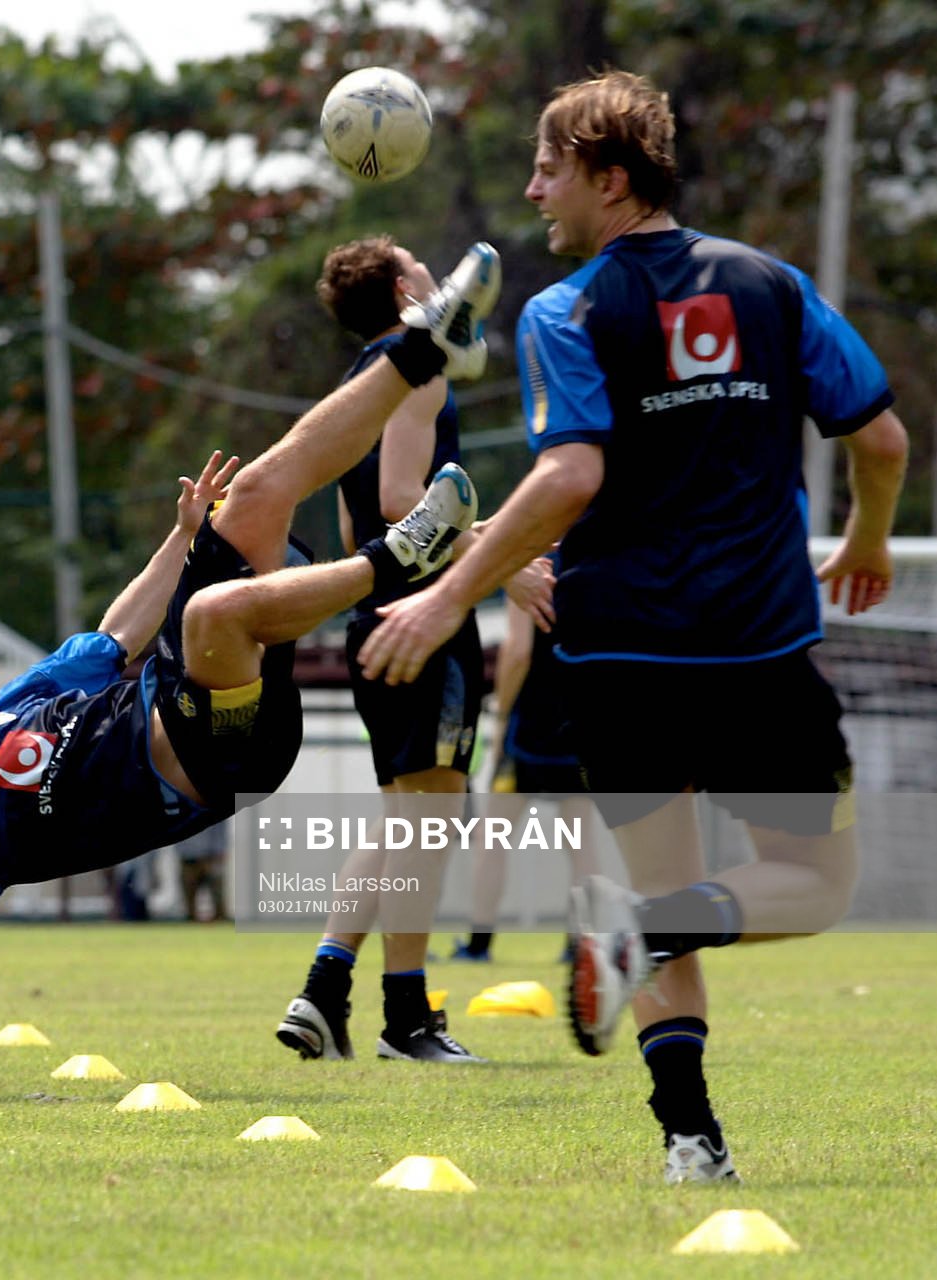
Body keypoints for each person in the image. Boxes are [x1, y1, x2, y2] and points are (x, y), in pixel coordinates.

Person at [358, 70, 909, 1184]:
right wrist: (862, 540)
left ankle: (689, 1142)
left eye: (548, 169)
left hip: (617, 653)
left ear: (610, 179)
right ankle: (646, 936)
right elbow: (881, 438)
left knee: (655, 891)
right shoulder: (772, 285)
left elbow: (569, 472)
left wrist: (444, 589)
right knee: (806, 882)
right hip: (756, 644)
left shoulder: (565, 313)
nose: (531, 192)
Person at [0, 240, 510, 1101]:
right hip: (213, 760)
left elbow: (118, 631)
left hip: (185, 686)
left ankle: (422, 345)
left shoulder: (17, 703)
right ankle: (399, 559)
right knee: (210, 616)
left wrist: (186, 532)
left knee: (256, 495)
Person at [276, 236, 491, 1064]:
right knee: (426, 821)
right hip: (421, 613)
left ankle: (324, 993)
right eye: (422, 264)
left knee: (406, 818)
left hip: (377, 606)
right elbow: (407, 500)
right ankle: (406, 1021)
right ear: (407, 287)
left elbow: (351, 521)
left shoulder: (358, 382)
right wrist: (502, 561)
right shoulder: (417, 368)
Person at [449, 588, 595, 963]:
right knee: (581, 843)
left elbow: (518, 650)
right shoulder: (590, 563)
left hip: (529, 725)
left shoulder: (528, 565)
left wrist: (500, 717)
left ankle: (478, 944)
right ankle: (582, 945)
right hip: (578, 720)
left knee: (492, 838)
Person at [176, 818, 230, 922]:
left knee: (217, 892)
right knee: (189, 895)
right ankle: (191, 919)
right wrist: (181, 852)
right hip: (188, 857)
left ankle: (221, 918)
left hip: (210, 856)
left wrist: (220, 852)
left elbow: (220, 831)